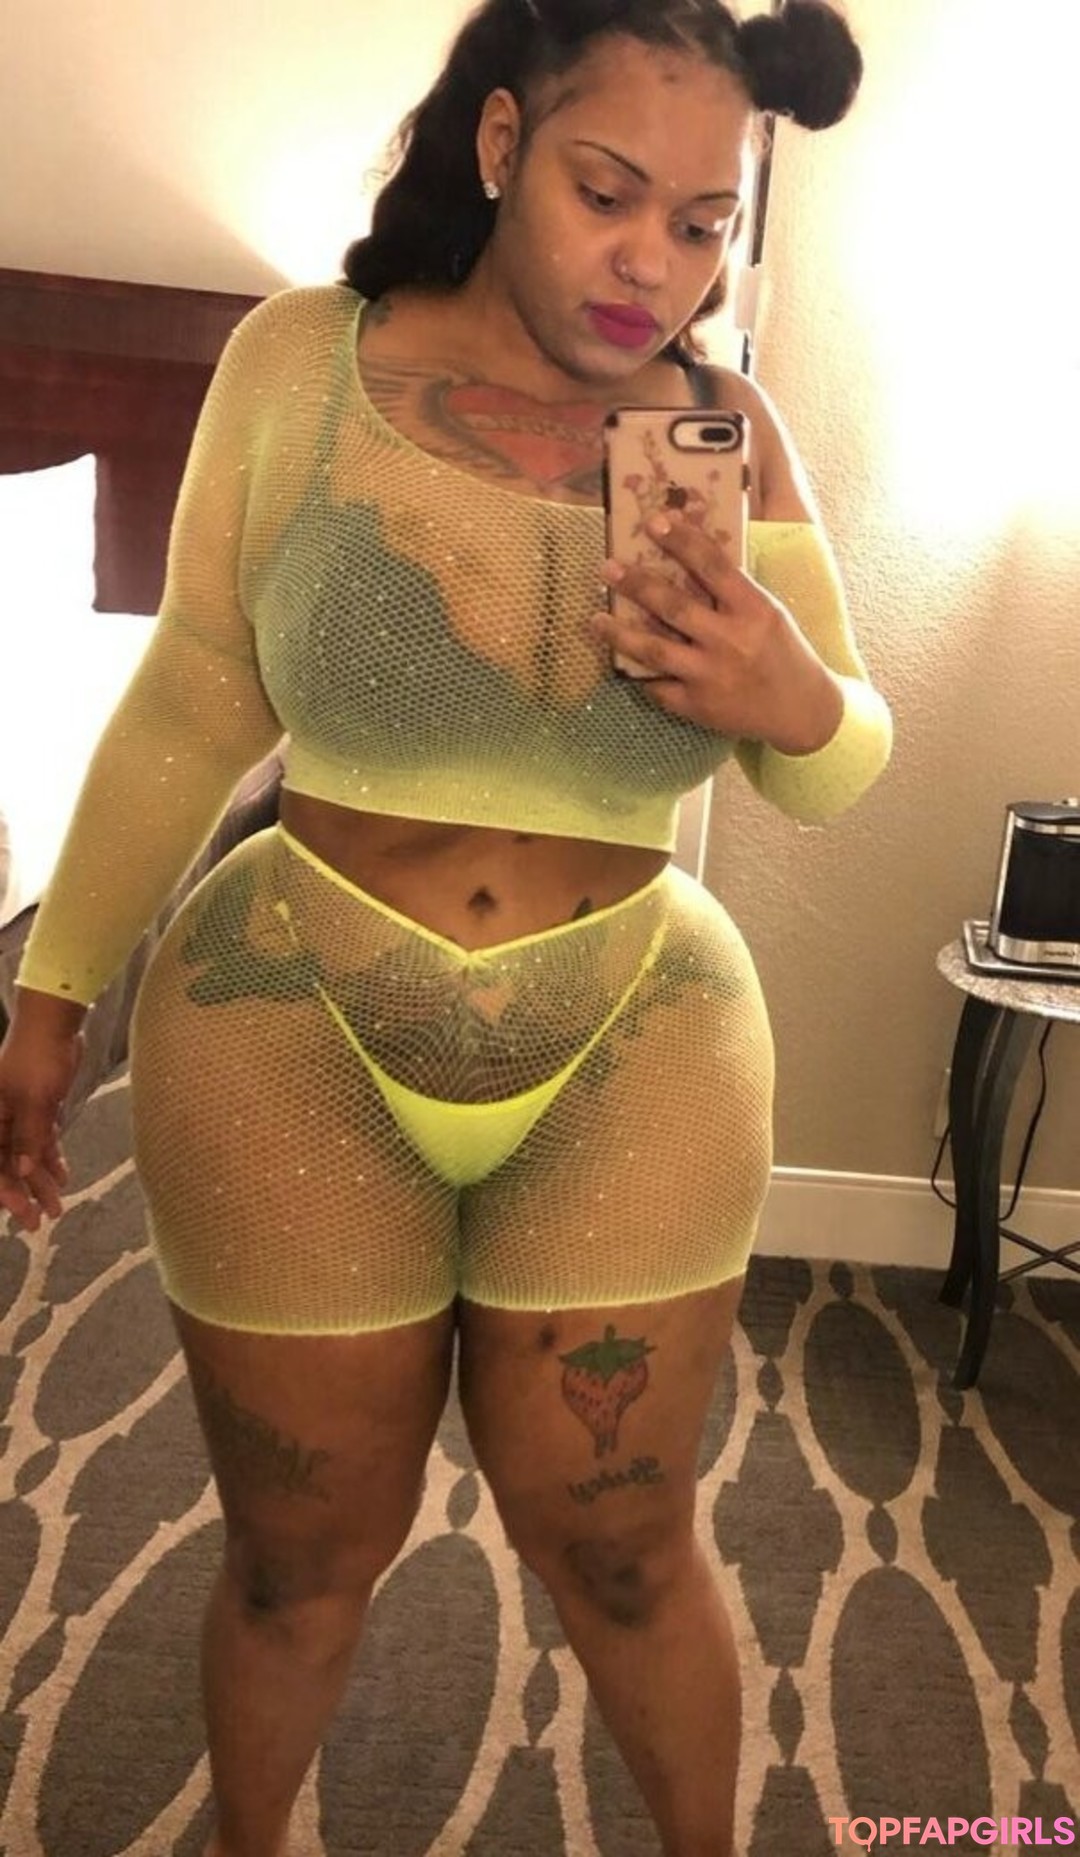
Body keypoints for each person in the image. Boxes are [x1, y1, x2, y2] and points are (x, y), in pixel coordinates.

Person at [0, 0, 891, 1851]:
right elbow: (196, 688)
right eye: (606, 194)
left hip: (636, 1034)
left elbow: (834, 766)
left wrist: (789, 693)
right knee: (294, 1557)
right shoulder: (301, 359)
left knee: (628, 1549)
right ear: (500, 145)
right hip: (288, 1019)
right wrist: (51, 992)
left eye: (704, 224)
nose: (653, 265)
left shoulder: (725, 434)